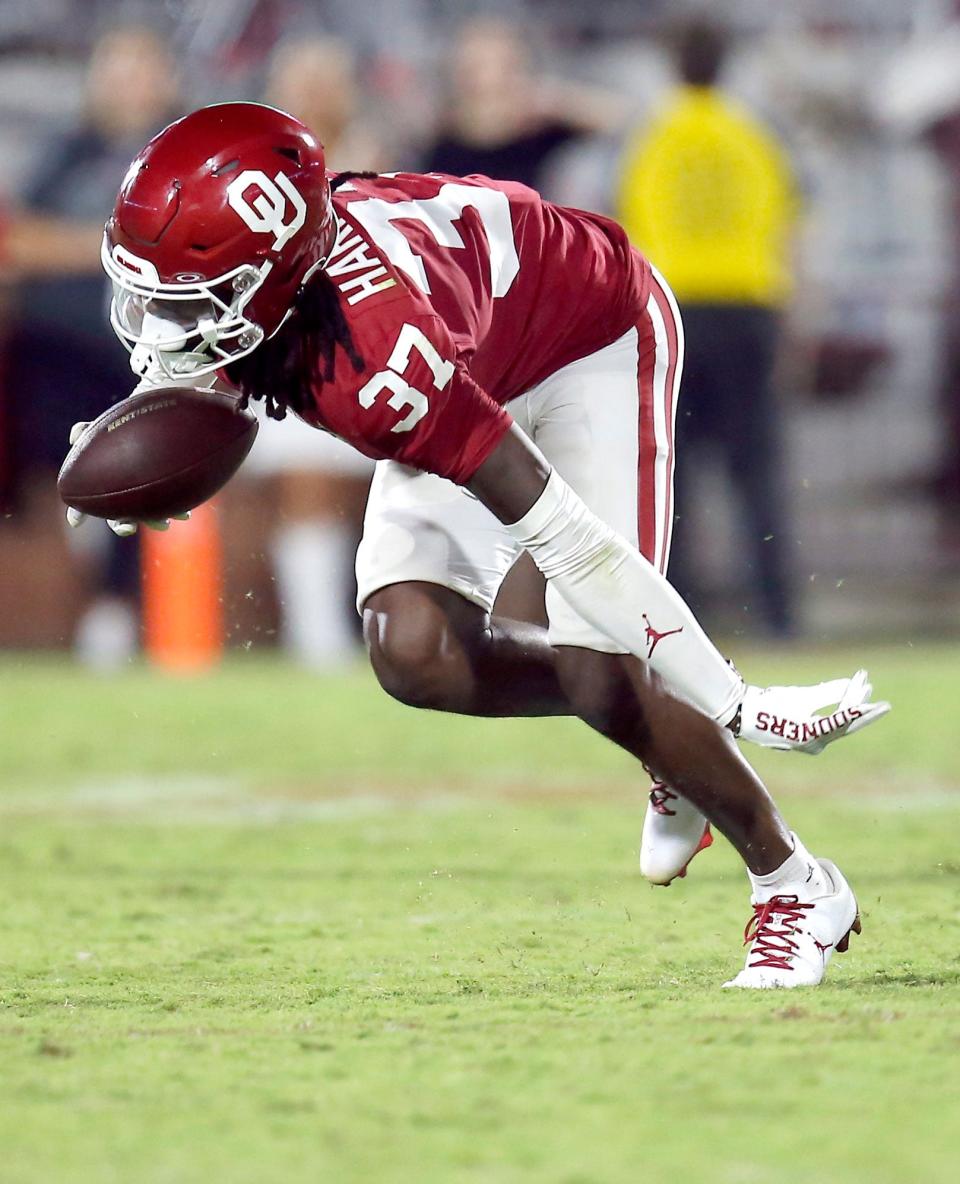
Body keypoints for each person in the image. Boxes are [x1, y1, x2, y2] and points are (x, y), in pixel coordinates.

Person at [68, 103, 889, 988]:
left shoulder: (376, 363)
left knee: (598, 654)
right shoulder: (293, 284)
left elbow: (568, 543)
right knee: (411, 650)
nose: (157, 324)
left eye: (183, 299)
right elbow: (216, 361)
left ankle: (797, 885)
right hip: (476, 352)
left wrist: (734, 704)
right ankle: (660, 726)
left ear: (269, 281)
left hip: (592, 345)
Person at [617, 18, 798, 636]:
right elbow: (789, 224)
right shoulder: (753, 136)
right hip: (750, 307)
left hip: (678, 311)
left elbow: (628, 232)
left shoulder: (652, 137)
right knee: (757, 472)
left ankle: (680, 619)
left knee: (675, 473)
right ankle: (779, 616)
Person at [7, 24, 180, 666]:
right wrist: (117, 244)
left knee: (143, 483)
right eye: (118, 66)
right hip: (58, 346)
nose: (129, 82)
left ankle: (115, 611)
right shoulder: (67, 150)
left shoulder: (186, 155)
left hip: (155, 352)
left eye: (143, 66)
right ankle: (83, 614)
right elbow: (16, 240)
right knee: (56, 482)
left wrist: (82, 247)